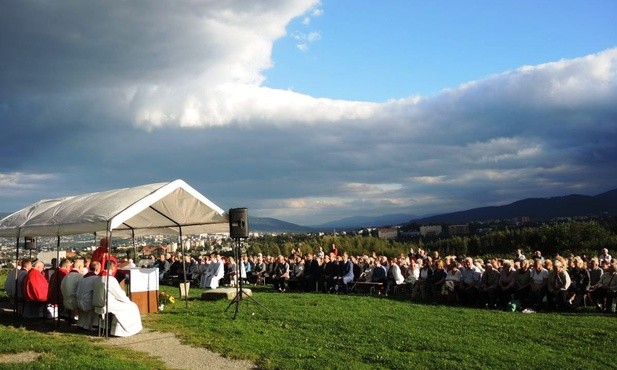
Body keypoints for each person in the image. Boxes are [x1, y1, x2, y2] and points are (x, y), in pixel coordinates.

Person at [93, 260, 142, 337]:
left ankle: (110, 328)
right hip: (109, 303)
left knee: (127, 306)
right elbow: (119, 294)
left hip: (98, 302)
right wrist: (127, 301)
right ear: (112, 267)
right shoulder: (110, 279)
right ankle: (123, 330)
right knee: (132, 306)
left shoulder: (98, 278)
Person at [75, 261, 101, 331]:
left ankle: (80, 324)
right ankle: (93, 325)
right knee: (98, 304)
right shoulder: (95, 278)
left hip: (78, 301)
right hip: (87, 303)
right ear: (97, 269)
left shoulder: (83, 278)